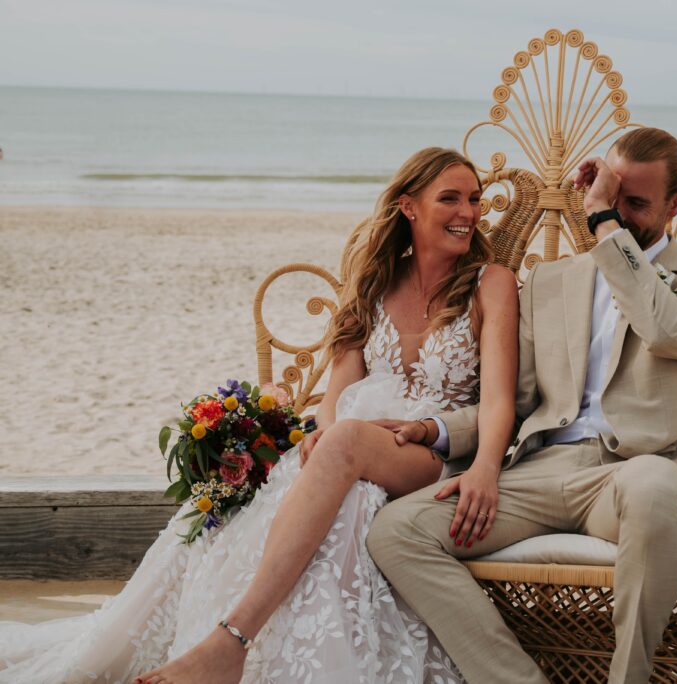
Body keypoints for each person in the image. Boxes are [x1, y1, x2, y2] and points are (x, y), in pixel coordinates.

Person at [0, 147, 519, 684]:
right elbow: (342, 383)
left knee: (339, 449)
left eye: (475, 199)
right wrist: (320, 429)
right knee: (279, 497)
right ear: (409, 207)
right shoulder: (376, 282)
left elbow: (501, 398)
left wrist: (484, 469)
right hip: (356, 442)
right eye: (450, 198)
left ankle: (231, 642)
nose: (468, 213)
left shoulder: (492, 284)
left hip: (433, 453)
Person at [367, 128, 677, 684]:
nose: (618, 216)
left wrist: (604, 225)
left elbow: (666, 330)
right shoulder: (549, 282)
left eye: (634, 205)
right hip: (541, 470)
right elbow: (517, 405)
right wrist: (435, 429)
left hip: (635, 471)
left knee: (654, 488)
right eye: (612, 200)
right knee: (397, 532)